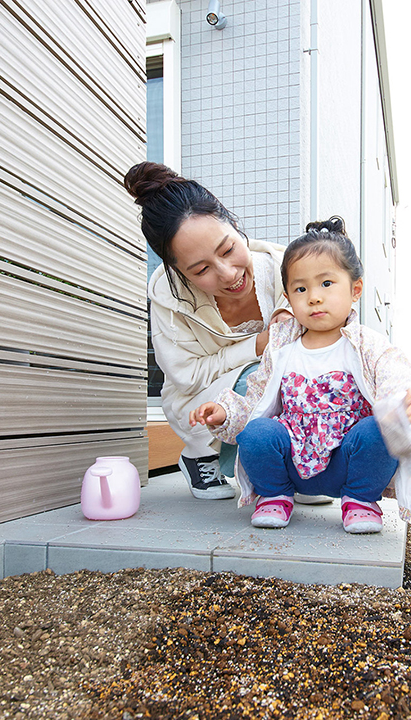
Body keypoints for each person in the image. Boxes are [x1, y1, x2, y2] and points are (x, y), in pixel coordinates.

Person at [189, 217, 411, 533]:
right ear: (289, 296)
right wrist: (225, 413)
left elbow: (399, 376)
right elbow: (255, 400)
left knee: (378, 430)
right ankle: (274, 495)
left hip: (348, 461)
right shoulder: (282, 347)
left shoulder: (367, 344)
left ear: (355, 290)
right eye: (300, 288)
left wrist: (407, 402)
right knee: (256, 433)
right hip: (292, 461)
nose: (313, 297)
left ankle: (361, 500)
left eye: (326, 284)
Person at [124, 161, 292, 500]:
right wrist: (259, 344)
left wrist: (292, 310)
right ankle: (202, 454)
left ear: (232, 223)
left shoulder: (286, 268)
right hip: (198, 398)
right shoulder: (169, 297)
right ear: (178, 271)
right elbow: (186, 376)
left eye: (228, 249)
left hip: (271, 386)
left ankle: (294, 464)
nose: (229, 274)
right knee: (258, 376)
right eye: (201, 269)